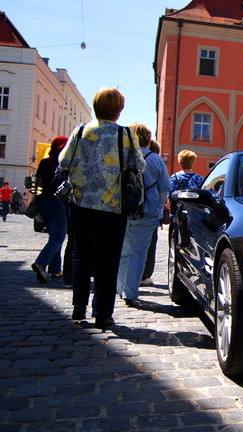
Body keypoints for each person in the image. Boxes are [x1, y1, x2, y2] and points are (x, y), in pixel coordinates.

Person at [59, 87, 145, 329]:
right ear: (118, 110)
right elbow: (139, 166)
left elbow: (64, 161)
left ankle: (78, 307)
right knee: (108, 259)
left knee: (82, 253)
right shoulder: (126, 135)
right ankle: (102, 314)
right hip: (112, 205)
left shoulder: (80, 130)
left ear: (96, 106)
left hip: (80, 202)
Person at [117, 124, 170, 306]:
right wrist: (159, 208)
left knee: (123, 251)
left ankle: (120, 288)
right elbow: (164, 189)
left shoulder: (122, 156)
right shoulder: (155, 159)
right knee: (138, 254)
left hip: (122, 210)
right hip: (147, 212)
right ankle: (130, 293)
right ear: (148, 138)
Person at [30, 136, 69, 283]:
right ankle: (41, 263)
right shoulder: (64, 163)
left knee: (53, 236)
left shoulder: (44, 162)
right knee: (58, 237)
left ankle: (55, 270)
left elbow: (38, 182)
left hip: (43, 202)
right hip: (58, 202)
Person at [141, 139, 164, 286]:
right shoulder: (156, 161)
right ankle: (144, 275)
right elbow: (164, 189)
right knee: (149, 244)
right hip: (150, 208)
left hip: (131, 207)